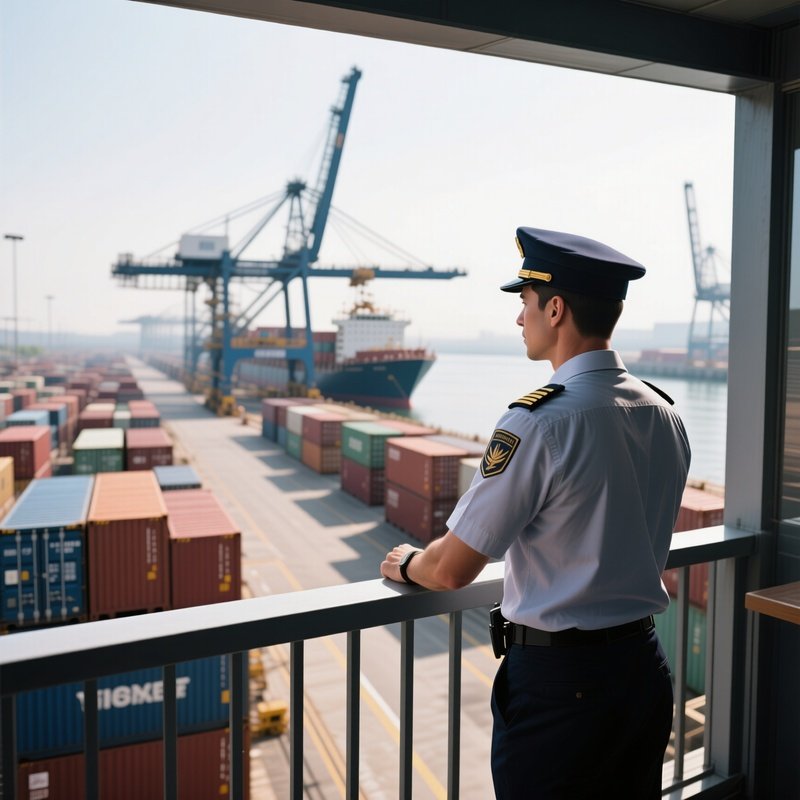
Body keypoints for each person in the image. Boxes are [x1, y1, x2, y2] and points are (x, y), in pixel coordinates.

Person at [381, 226, 691, 799]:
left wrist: (405, 565)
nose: (519, 319)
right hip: (642, 670)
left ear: (555, 307)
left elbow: (451, 570)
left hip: (562, 689)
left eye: (524, 303)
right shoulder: (663, 414)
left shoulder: (538, 421)